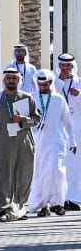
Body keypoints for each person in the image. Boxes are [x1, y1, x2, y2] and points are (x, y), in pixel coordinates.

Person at [0, 66, 41, 222]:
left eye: (14, 78)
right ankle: (5, 208)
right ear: (4, 80)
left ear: (19, 80)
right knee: (3, 177)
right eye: (9, 78)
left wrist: (23, 120)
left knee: (23, 177)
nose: (11, 81)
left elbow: (37, 119)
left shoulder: (27, 98)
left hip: (24, 144)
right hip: (3, 144)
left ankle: (19, 207)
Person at [27, 70, 76, 216]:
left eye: (45, 84)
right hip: (38, 142)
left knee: (57, 172)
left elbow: (67, 122)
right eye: (40, 84)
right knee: (42, 174)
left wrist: (72, 141)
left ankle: (59, 203)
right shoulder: (32, 98)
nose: (43, 87)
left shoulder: (59, 99)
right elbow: (25, 119)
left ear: (50, 83)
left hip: (56, 141)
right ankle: (44, 205)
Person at [54, 53, 81, 209]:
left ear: (73, 66)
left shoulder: (79, 83)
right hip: (59, 129)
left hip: (77, 129)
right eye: (62, 66)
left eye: (68, 66)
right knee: (60, 164)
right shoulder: (54, 84)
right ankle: (60, 198)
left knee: (76, 165)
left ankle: (75, 197)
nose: (65, 69)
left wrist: (79, 96)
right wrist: (60, 83)